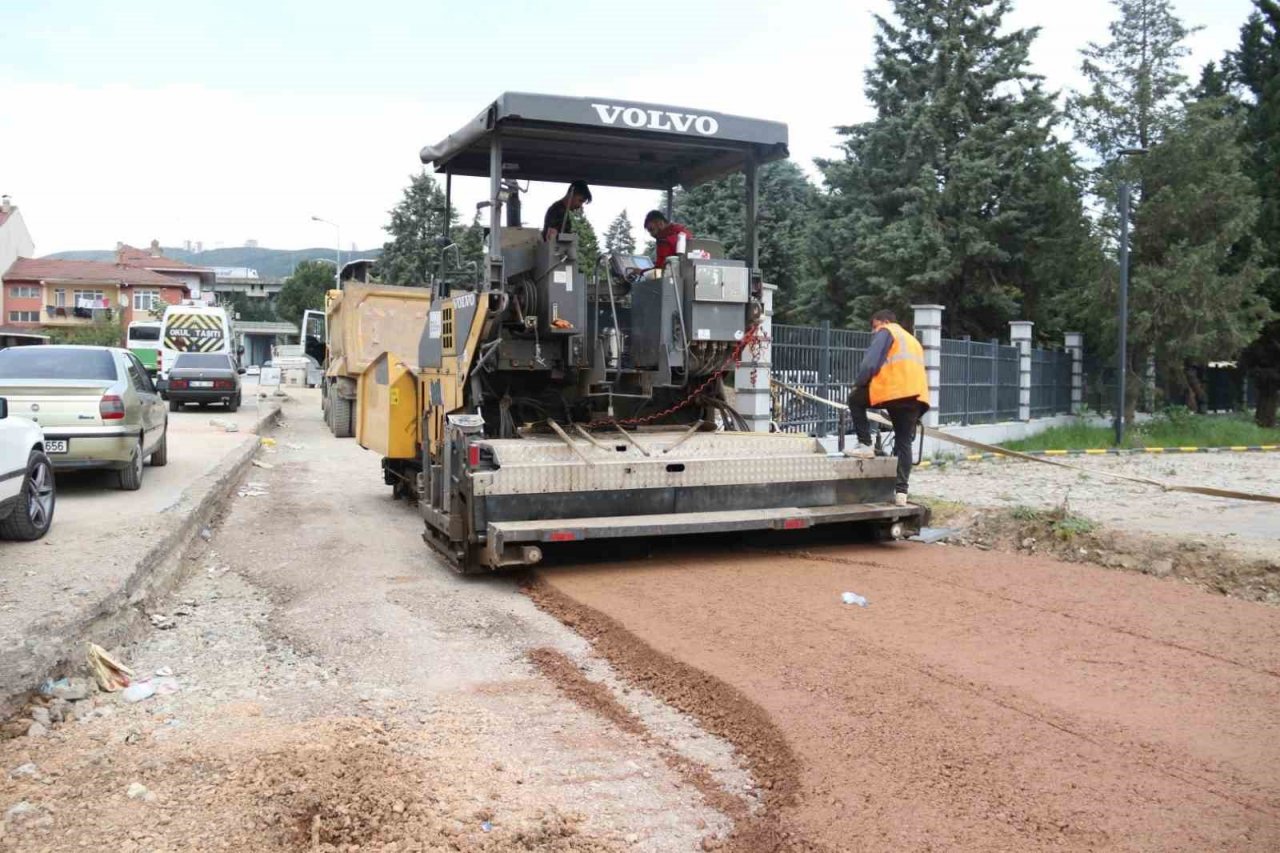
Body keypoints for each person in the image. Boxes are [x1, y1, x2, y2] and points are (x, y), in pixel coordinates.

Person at [844, 310, 930, 506]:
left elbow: (870, 363)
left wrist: (859, 384)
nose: (874, 332)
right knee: (904, 442)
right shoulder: (912, 339)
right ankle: (901, 493)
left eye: (874, 326)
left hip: (893, 392)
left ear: (884, 322)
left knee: (855, 400)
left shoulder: (887, 331)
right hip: (916, 397)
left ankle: (866, 445)